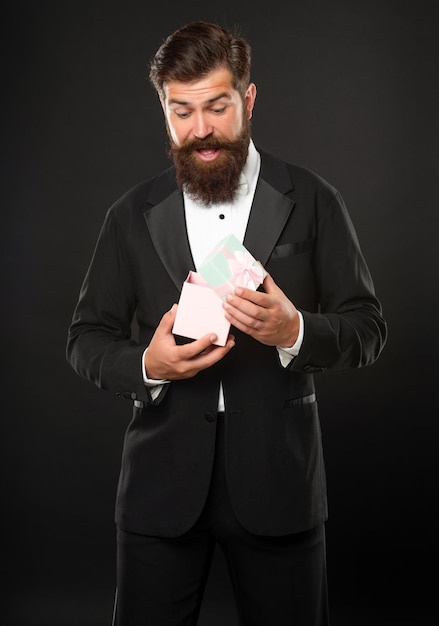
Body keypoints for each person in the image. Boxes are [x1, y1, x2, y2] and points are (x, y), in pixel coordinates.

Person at [66, 20, 387, 626]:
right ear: (163, 107)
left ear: (250, 97)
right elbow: (85, 339)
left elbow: (368, 328)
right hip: (159, 491)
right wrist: (146, 365)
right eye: (181, 111)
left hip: (280, 485)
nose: (201, 129)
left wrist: (294, 330)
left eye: (217, 106)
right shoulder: (130, 213)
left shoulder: (315, 199)